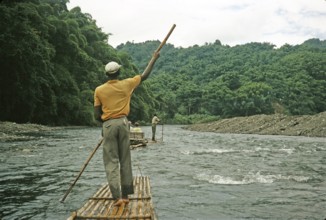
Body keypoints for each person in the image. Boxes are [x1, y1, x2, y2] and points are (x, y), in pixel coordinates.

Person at [93, 51, 160, 206]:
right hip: (124, 124)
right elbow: (144, 76)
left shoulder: (99, 90)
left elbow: (96, 114)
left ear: (106, 74)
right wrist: (153, 59)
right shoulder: (127, 84)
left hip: (108, 124)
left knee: (111, 162)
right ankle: (126, 195)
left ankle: (117, 198)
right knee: (125, 159)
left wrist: (104, 125)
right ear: (119, 72)